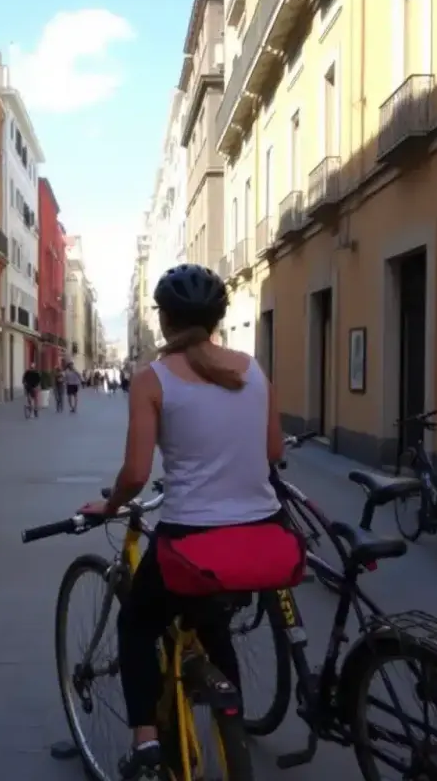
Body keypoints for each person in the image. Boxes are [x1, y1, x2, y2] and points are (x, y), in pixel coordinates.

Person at [78, 264, 285, 778]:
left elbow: (136, 474)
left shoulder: (153, 379)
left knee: (136, 624)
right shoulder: (253, 370)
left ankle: (145, 741)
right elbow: (273, 451)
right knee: (213, 627)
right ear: (217, 319)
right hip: (261, 535)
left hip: (190, 539)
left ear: (165, 320)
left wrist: (111, 506)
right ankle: (231, 723)